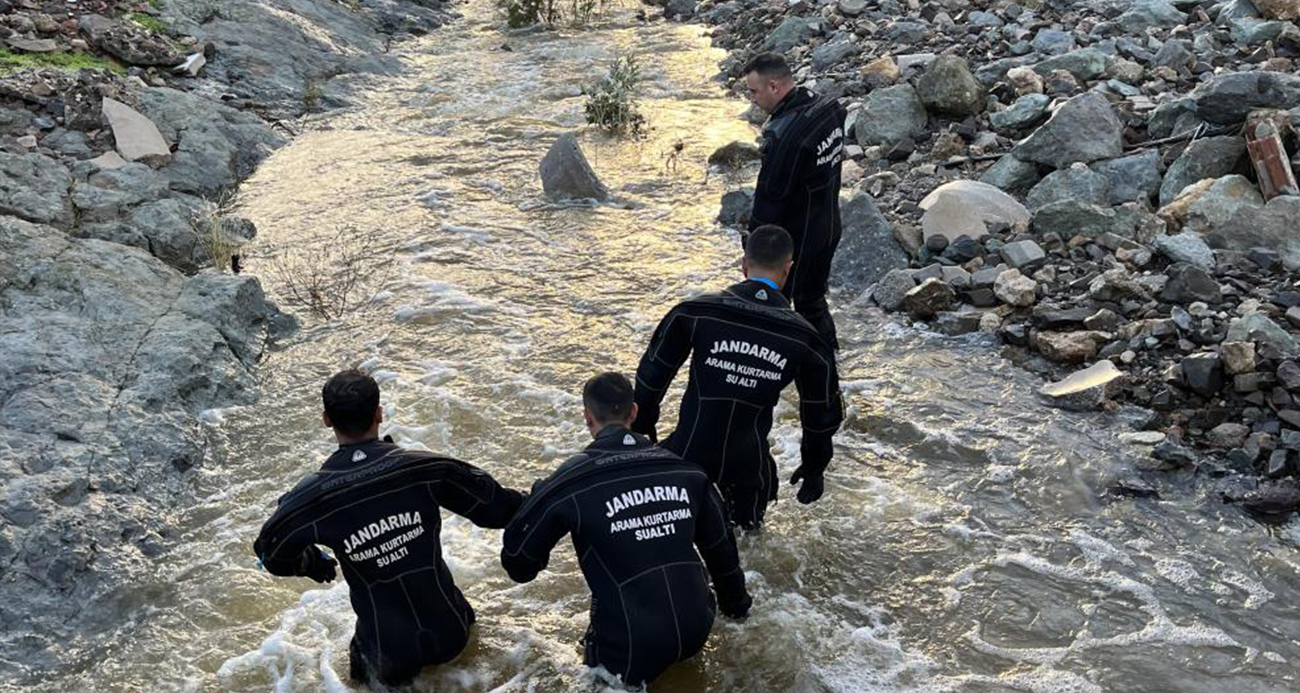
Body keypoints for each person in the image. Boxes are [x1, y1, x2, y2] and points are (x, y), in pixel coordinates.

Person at [253, 370, 524, 687]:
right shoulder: (429, 468)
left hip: (386, 651)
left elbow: (271, 552)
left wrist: (313, 564)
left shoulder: (312, 498)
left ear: (326, 419)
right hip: (451, 630)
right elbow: (499, 510)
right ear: (379, 413)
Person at [500, 372, 751, 688]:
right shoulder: (687, 471)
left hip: (630, 644)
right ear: (634, 412)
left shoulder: (570, 482)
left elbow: (518, 564)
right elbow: (722, 554)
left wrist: (537, 499)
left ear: (587, 417)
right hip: (697, 626)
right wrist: (738, 611)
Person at [631, 225, 843, 529]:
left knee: (673, 535)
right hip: (748, 466)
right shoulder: (805, 338)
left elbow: (652, 375)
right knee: (747, 546)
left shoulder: (695, 312)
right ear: (788, 269)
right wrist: (814, 467)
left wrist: (642, 427)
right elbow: (819, 414)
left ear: (744, 264)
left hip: (688, 453)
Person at [742, 51, 848, 349]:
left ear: (774, 86)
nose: (752, 99)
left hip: (797, 241)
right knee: (813, 301)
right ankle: (829, 364)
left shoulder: (785, 138)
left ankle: (785, 366)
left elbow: (769, 201)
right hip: (828, 226)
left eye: (754, 91)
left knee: (775, 305)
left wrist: (753, 244)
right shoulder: (826, 107)